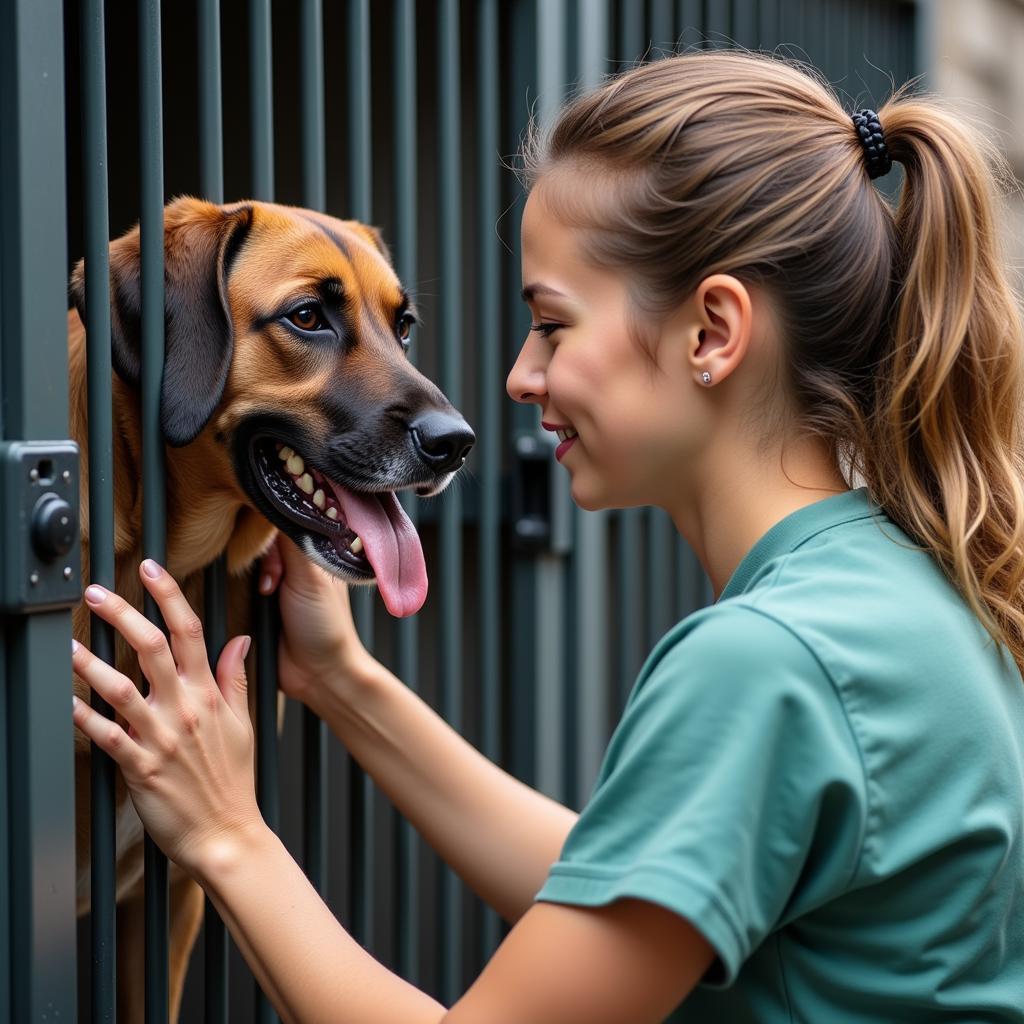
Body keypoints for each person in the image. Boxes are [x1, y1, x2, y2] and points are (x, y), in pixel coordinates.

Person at [71, 49, 1024, 1022]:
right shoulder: (907, 592)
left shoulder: (766, 662)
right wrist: (342, 680)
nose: (519, 377)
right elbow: (629, 886)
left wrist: (227, 832)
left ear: (711, 334)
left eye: (551, 325)